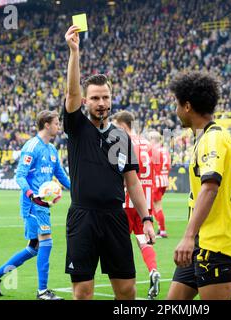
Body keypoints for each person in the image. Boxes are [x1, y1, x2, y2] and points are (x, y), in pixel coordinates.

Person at [64, 25, 156, 300]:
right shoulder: (77, 126)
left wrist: (147, 218)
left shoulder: (121, 137)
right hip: (83, 217)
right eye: (94, 98)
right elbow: (70, 95)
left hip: (116, 217)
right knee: (83, 292)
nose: (101, 102)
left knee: (127, 289)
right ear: (86, 101)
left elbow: (133, 181)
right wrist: (74, 52)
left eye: (105, 97)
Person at [166, 71, 231, 300]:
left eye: (177, 104)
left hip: (214, 243)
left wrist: (188, 236)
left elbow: (210, 187)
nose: (176, 110)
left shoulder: (214, 138)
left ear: (187, 106)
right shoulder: (204, 138)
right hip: (201, 241)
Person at [0, 110, 71, 300]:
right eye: (57, 123)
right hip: (33, 204)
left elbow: (61, 175)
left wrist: (77, 190)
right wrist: (32, 194)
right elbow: (20, 176)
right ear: (47, 125)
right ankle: (42, 291)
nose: (59, 126)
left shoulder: (52, 150)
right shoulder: (32, 147)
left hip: (43, 204)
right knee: (46, 242)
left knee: (34, 247)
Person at [113, 111, 161, 300]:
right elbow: (153, 172)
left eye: (116, 125)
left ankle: (125, 285)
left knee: (119, 244)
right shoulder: (148, 145)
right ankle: (153, 270)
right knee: (142, 239)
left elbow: (123, 174)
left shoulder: (123, 142)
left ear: (124, 126)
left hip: (127, 198)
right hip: (144, 202)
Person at [148, 131, 171, 238]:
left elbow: (153, 166)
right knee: (156, 205)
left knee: (155, 206)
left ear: (153, 139)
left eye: (150, 139)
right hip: (164, 179)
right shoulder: (165, 150)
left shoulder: (155, 150)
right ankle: (160, 229)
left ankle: (162, 230)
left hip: (157, 180)